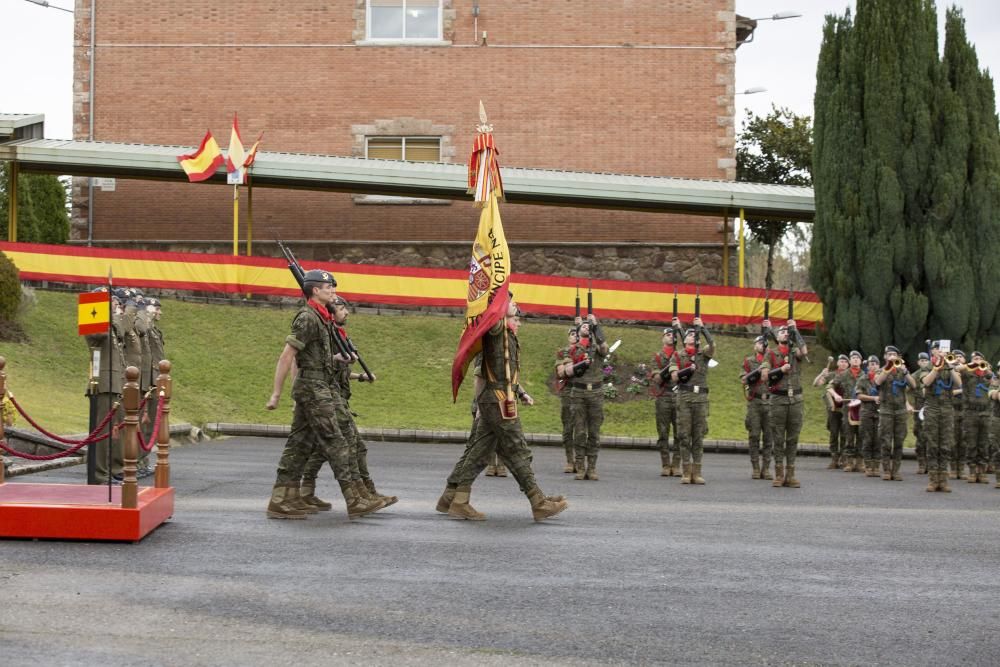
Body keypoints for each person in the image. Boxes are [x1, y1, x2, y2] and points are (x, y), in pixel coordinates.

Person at [264, 269, 383, 520]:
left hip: (320, 385)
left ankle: (284, 498)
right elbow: (287, 356)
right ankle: (354, 499)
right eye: (328, 288)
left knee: (300, 444)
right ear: (315, 291)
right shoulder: (307, 317)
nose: (333, 292)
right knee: (336, 441)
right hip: (313, 388)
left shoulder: (322, 317)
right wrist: (276, 394)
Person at [444, 296, 568, 521]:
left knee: (480, 451)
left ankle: (455, 498)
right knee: (517, 449)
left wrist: (520, 393)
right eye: (514, 312)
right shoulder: (496, 329)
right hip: (498, 401)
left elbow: (507, 374)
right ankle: (538, 502)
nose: (518, 319)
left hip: (499, 399)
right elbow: (484, 371)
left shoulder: (506, 334)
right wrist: (498, 300)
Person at [299, 296, 397, 510]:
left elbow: (341, 371)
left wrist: (360, 376)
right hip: (325, 397)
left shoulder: (338, 335)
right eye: (342, 308)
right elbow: (321, 366)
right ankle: (360, 494)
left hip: (335, 397)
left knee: (323, 448)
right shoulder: (327, 335)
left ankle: (310, 491)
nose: (347, 312)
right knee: (347, 446)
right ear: (331, 312)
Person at [84, 288, 126, 484]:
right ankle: (99, 475)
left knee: (110, 432)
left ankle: (107, 472)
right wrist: (103, 307)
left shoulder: (110, 325)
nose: (116, 306)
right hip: (102, 383)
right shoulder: (96, 322)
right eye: (111, 302)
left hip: (112, 384)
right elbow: (99, 334)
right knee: (101, 433)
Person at [670, 316, 715, 484]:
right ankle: (686, 471)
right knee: (684, 435)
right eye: (688, 335)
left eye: (693, 335)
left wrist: (703, 329)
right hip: (684, 398)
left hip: (701, 399)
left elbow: (712, 345)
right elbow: (674, 377)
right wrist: (688, 369)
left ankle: (697, 472)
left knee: (698, 435)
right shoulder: (678, 356)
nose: (691, 337)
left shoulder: (703, 355)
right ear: (684, 339)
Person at [564, 314, 609, 481]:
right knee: (580, 431)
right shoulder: (572, 350)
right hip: (578, 393)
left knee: (594, 433)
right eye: (582, 325)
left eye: (587, 325)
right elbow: (567, 371)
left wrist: (597, 326)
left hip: (596, 394)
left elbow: (605, 348)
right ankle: (580, 466)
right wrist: (582, 364)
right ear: (578, 330)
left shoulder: (596, 348)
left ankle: (592, 467)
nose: (585, 326)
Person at [765, 320, 806, 488]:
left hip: (795, 400)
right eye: (781, 331)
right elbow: (764, 375)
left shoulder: (795, 351)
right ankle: (779, 473)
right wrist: (781, 370)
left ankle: (791, 474)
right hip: (778, 400)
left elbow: (804, 351)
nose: (785, 333)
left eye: (786, 331)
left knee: (793, 438)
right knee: (778, 437)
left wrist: (796, 331)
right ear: (777, 336)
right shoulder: (771, 354)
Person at [923, 342, 961, 492]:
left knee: (945, 445)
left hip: (946, 410)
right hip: (932, 409)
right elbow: (926, 382)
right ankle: (933, 480)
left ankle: (943, 480)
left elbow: (959, 383)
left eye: (942, 349)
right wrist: (936, 367)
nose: (940, 351)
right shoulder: (927, 367)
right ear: (932, 351)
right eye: (937, 349)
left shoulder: (950, 366)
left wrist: (949, 365)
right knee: (932, 445)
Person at [874, 346, 916, 481]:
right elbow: (878, 381)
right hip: (886, 410)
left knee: (899, 441)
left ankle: (896, 470)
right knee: (885, 441)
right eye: (889, 354)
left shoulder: (902, 371)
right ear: (885, 357)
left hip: (900, 411)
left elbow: (913, 385)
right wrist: (888, 367)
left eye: (894, 354)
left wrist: (905, 371)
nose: (892, 356)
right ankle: (886, 470)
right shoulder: (881, 370)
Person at [651, 321, 682, 476]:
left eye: (673, 335)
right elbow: (656, 378)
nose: (671, 337)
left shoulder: (680, 355)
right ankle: (665, 464)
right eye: (668, 335)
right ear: (663, 338)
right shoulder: (658, 356)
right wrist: (669, 368)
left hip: (679, 396)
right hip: (663, 396)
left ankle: (676, 464)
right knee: (663, 432)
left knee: (679, 432)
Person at [740, 334, 772, 479]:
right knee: (754, 435)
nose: (761, 345)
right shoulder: (749, 361)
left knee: (769, 437)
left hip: (770, 402)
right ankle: (755, 467)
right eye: (758, 343)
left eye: (763, 343)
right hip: (755, 402)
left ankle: (766, 468)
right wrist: (757, 372)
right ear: (755, 346)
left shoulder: (772, 360)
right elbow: (743, 379)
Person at [958, 351, 993, 484]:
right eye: (975, 358)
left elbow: (991, 377)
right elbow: (958, 368)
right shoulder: (967, 372)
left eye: (980, 358)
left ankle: (982, 472)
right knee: (971, 443)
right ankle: (972, 471)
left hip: (985, 413)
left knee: (983, 444)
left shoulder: (987, 373)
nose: (978, 361)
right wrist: (971, 365)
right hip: (970, 413)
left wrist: (986, 367)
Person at [832, 351, 864, 472]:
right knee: (849, 436)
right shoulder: (843, 374)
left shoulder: (865, 375)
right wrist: (835, 395)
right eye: (853, 358)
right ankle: (849, 462)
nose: (855, 360)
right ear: (850, 361)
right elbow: (830, 386)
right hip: (847, 410)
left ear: (861, 361)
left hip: (862, 410)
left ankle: (860, 462)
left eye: (857, 358)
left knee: (861, 435)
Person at [555, 327, 579, 474]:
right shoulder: (562, 352)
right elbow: (561, 372)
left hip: (582, 390)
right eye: (572, 334)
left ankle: (581, 460)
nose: (574, 336)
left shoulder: (587, 351)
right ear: (568, 337)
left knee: (582, 428)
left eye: (576, 333)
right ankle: (570, 460)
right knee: (568, 427)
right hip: (568, 391)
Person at [854, 355, 882, 477]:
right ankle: (868, 466)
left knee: (878, 439)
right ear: (868, 366)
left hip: (880, 412)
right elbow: (859, 395)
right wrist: (873, 398)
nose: (873, 366)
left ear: (879, 365)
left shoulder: (883, 379)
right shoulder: (863, 379)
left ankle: (876, 466)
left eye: (875, 363)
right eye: (871, 364)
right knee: (867, 439)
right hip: (867, 412)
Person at [815, 356, 844, 469]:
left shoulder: (850, 375)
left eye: (845, 361)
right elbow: (816, 384)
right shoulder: (832, 375)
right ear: (838, 363)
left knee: (845, 435)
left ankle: (843, 459)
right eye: (841, 361)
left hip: (846, 409)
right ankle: (834, 459)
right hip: (833, 409)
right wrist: (822, 374)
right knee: (834, 434)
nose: (843, 363)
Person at [909, 352, 931, 474]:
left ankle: (931, 463)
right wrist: (908, 404)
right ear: (918, 362)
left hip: (931, 408)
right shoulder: (914, 376)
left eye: (925, 360)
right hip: (919, 409)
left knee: (931, 437)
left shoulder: (932, 373)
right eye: (921, 361)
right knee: (920, 436)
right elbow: (904, 390)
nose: (923, 363)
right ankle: (922, 463)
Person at [950, 350, 968, 479]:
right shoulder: (949, 373)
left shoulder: (969, 373)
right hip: (953, 410)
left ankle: (961, 468)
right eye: (956, 357)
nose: (958, 359)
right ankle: (953, 468)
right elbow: (948, 392)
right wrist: (962, 390)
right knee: (953, 441)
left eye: (960, 357)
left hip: (967, 411)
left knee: (964, 441)